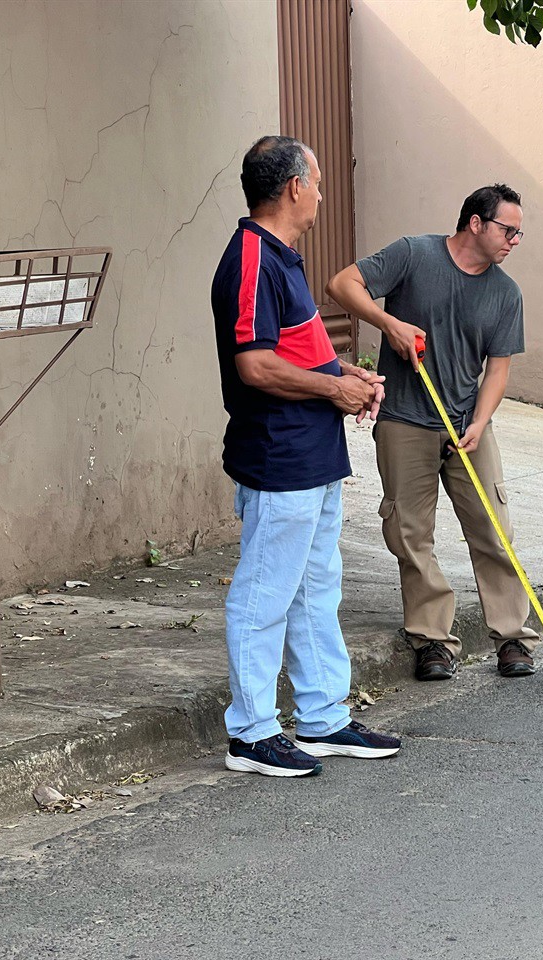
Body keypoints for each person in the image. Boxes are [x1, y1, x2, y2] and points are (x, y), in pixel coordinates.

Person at [211, 135, 400, 777]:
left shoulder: (281, 258)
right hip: (279, 456)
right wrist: (333, 389)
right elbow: (255, 365)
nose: (321, 194)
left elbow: (295, 350)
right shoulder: (250, 259)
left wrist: (346, 374)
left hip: (313, 455)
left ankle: (323, 719)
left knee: (316, 589)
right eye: (317, 182)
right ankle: (251, 733)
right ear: (295, 187)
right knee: (265, 593)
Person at [326, 184, 540, 683]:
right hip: (404, 420)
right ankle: (432, 641)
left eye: (519, 233)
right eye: (508, 230)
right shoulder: (413, 255)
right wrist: (389, 323)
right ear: (475, 223)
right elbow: (342, 284)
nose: (514, 241)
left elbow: (498, 370)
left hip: (467, 425)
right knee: (409, 534)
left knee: (493, 530)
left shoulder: (506, 294)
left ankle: (512, 637)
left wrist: (480, 423)